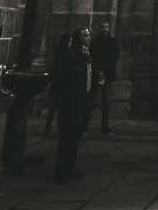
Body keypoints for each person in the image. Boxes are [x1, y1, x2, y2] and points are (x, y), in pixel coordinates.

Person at [53, 27, 92, 182]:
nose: (89, 37)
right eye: (86, 35)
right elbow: (67, 77)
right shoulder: (70, 55)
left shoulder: (83, 53)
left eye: (89, 35)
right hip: (70, 102)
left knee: (75, 136)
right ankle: (61, 171)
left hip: (80, 100)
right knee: (67, 137)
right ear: (79, 38)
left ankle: (70, 166)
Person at [89, 17, 120, 135]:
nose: (104, 29)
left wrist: (105, 70)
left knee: (106, 102)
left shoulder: (112, 41)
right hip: (97, 74)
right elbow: (93, 57)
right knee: (91, 101)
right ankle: (85, 126)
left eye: (106, 27)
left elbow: (114, 56)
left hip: (107, 75)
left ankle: (105, 127)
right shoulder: (95, 42)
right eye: (103, 27)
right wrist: (98, 70)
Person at [43, 31, 70, 136]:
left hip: (57, 82)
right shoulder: (66, 53)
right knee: (60, 107)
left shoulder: (58, 51)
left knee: (54, 107)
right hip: (62, 82)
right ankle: (59, 128)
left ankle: (48, 127)